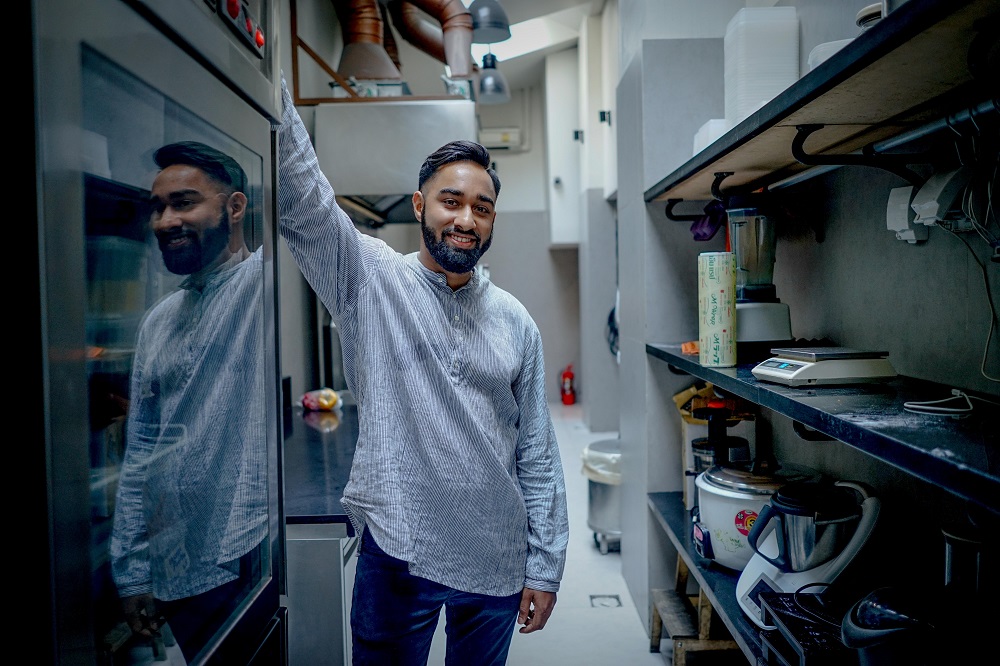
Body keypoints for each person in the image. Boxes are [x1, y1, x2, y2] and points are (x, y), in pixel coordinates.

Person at [276, 76, 570, 664]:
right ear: (420, 206)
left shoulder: (515, 321)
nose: (466, 219)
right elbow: (306, 202)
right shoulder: (371, 279)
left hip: (495, 556)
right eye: (450, 202)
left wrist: (545, 564)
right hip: (399, 552)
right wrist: (271, 83)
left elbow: (537, 451)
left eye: (481, 208)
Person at [109, 141, 268, 662]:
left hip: (248, 555)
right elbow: (141, 450)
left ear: (235, 207)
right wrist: (133, 571)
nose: (164, 221)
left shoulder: (262, 285)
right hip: (176, 563)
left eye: (183, 203)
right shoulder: (159, 321)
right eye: (157, 207)